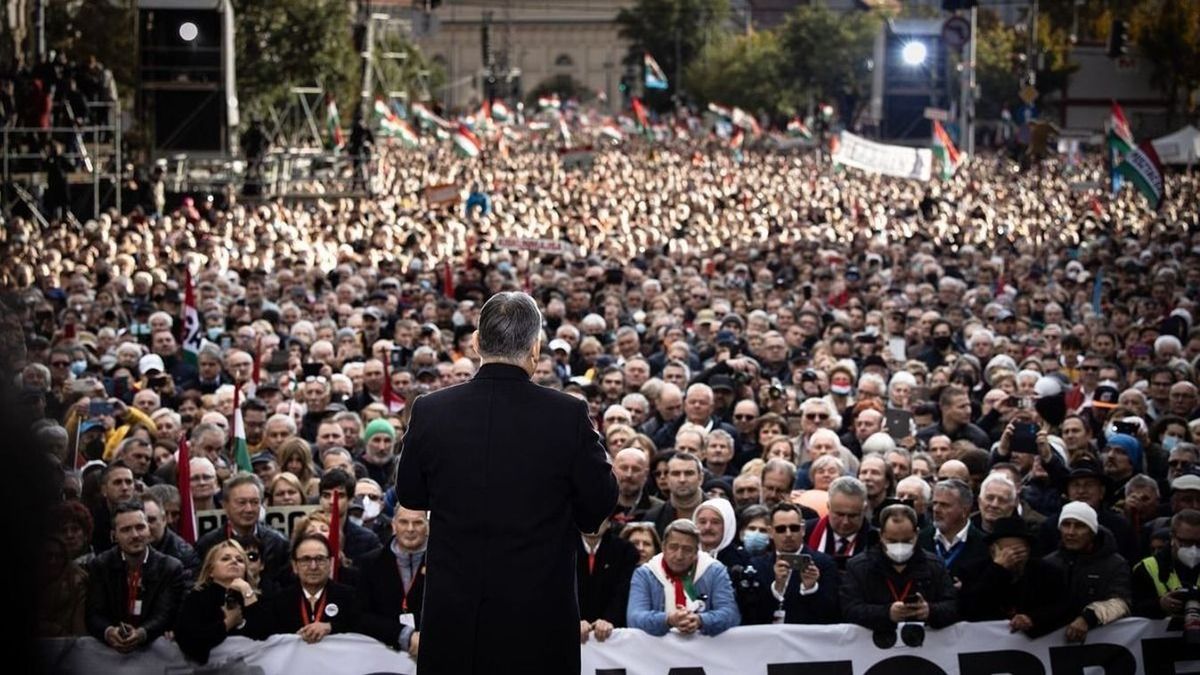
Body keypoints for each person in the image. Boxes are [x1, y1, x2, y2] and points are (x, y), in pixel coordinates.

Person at [395, 292, 617, 674]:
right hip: (538, 620)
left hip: (455, 618)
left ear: (477, 343)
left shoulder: (431, 410)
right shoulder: (568, 414)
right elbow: (599, 503)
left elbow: (411, 494)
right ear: (535, 348)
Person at [840, 504, 958, 635]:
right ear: (881, 535)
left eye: (907, 540)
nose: (900, 546)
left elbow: (953, 606)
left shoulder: (935, 565)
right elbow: (849, 609)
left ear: (917, 534)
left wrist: (929, 611)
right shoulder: (859, 567)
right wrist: (886, 613)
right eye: (892, 541)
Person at [85, 501, 187, 652]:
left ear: (148, 530)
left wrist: (142, 633)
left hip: (154, 654)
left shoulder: (170, 568)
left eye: (140, 527)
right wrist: (109, 632)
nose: (135, 535)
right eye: (126, 530)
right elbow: (93, 614)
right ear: (114, 536)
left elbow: (165, 614)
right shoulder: (100, 566)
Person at [958, 516, 1073, 636]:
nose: (1012, 557)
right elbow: (969, 607)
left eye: (1018, 552)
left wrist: (1032, 618)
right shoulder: (972, 571)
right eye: (1006, 551)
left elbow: (1063, 608)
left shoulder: (1048, 572)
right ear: (993, 550)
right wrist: (998, 569)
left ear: (1028, 550)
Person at [626, 519, 741, 636]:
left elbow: (731, 614)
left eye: (687, 549)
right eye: (673, 547)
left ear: (696, 552)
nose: (679, 556)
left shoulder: (715, 571)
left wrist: (700, 620)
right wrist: (668, 619)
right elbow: (635, 618)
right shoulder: (645, 573)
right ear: (663, 547)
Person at [1043, 501, 1132, 643]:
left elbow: (1121, 603)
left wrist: (1089, 617)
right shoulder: (1048, 563)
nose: (1071, 532)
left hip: (1102, 644)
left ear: (1092, 531)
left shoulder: (1115, 564)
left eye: (1079, 526)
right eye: (1066, 525)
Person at [258, 534, 361, 642]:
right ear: (295, 566)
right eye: (306, 559)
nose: (313, 566)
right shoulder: (279, 601)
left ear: (330, 563)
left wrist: (331, 627)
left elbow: (361, 629)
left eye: (320, 559)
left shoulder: (350, 597)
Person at [194, 473, 290, 589]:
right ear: (225, 505)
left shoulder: (278, 543)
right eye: (242, 503)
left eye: (254, 502)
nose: (249, 509)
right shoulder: (208, 544)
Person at [749, 503, 840, 625]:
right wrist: (778, 587)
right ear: (770, 532)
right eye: (781, 529)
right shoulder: (757, 566)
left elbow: (832, 613)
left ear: (802, 530)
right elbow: (751, 613)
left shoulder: (824, 563)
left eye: (794, 528)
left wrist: (810, 588)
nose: (788, 534)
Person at [174, 539, 262, 663]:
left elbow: (266, 634)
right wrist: (227, 623)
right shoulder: (197, 597)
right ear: (210, 571)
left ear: (245, 570)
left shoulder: (255, 596)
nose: (234, 561)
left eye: (240, 560)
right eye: (225, 559)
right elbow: (189, 640)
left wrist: (248, 592)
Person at [357, 507, 429, 656]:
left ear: (428, 527)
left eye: (417, 523)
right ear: (394, 525)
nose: (410, 529)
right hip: (383, 656)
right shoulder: (370, 563)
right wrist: (404, 634)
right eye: (404, 522)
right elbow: (361, 614)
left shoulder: (446, 564)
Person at [577, 518, 639, 644]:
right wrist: (572, 621)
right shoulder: (560, 548)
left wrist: (609, 619)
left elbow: (623, 591)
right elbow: (557, 592)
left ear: (609, 522)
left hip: (611, 635)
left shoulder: (625, 551)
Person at [1132, 509, 1200, 619]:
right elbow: (1134, 609)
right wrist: (1160, 604)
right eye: (1186, 542)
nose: (1193, 549)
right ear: (1172, 537)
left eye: (1199, 543)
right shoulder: (1147, 568)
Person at [917, 479, 988, 585]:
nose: (936, 509)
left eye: (944, 505)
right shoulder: (920, 540)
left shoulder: (984, 545)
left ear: (964, 510)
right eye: (935, 503)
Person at [806, 476, 878, 567]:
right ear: (828, 506)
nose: (845, 522)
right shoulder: (805, 533)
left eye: (852, 516)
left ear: (864, 509)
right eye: (839, 515)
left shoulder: (876, 541)